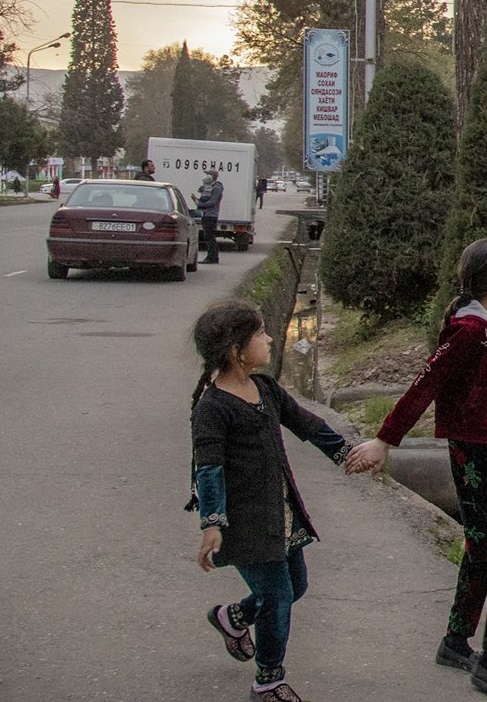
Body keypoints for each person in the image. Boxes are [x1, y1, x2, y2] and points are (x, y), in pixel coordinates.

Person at [345, 238, 487, 700]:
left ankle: (456, 641)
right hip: (477, 451)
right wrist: (385, 440)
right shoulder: (469, 330)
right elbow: (425, 384)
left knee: (482, 542)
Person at [188, 298, 351, 702]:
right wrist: (212, 522)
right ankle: (268, 681)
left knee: (295, 585)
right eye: (261, 333)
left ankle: (233, 617)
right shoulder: (213, 408)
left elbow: (305, 423)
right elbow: (208, 468)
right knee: (277, 596)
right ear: (237, 351)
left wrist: (345, 453)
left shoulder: (265, 388)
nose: (271, 337)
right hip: (244, 523)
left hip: (281, 515)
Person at [195, 169, 225, 265]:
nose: (206, 177)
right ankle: (212, 257)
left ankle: (212, 257)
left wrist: (199, 203)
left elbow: (212, 202)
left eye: (208, 175)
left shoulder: (216, 188)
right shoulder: (211, 187)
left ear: (213, 176)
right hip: (207, 215)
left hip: (211, 216)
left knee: (210, 237)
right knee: (208, 237)